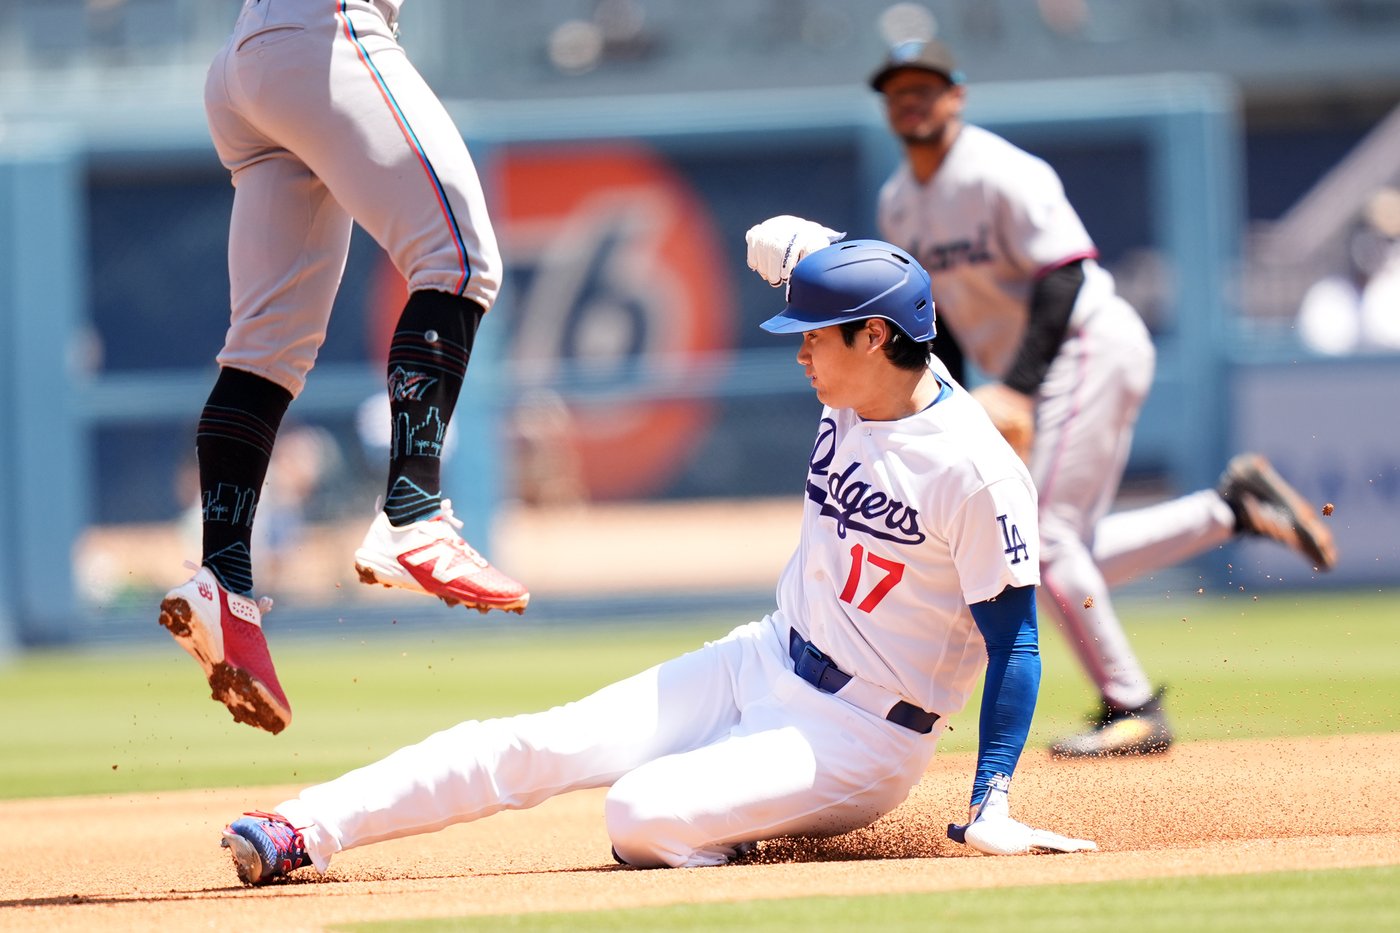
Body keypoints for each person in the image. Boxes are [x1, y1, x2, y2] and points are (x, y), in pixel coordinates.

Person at [216, 240, 1096, 886]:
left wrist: (992, 798)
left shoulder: (975, 470)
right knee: (538, 741)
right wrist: (793, 247)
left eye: (813, 335)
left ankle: (729, 829)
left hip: (863, 734)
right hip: (763, 653)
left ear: (872, 337)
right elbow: (851, 266)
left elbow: (1015, 643)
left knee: (638, 812)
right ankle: (303, 826)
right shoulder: (866, 365)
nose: (798, 350)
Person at [743, 38, 1338, 759]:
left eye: (927, 86)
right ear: (887, 105)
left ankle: (1133, 704)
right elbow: (928, 323)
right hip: (1023, 368)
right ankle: (1231, 508)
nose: (913, 99)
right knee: (1046, 550)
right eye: (900, 90)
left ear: (956, 96)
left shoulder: (998, 171)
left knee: (1045, 539)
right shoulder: (900, 202)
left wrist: (1017, 390)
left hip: (1086, 343)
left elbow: (1063, 274)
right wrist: (949, 401)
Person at [158, 0, 529, 737]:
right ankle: (414, 514)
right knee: (458, 262)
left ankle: (222, 578)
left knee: (264, 348)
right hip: (322, 32)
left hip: (247, 63)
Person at [1296, 186, 1400, 356]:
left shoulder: (1391, 293)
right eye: (1371, 235)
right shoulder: (1327, 297)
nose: (1378, 249)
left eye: (1390, 240)